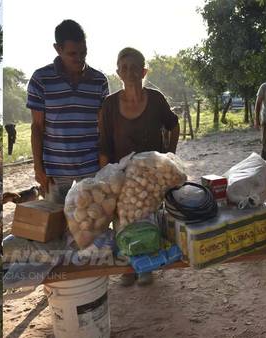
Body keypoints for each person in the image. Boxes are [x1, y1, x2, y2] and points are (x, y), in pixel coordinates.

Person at [98, 47, 180, 286]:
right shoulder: (109, 105)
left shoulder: (155, 99)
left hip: (150, 176)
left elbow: (173, 126)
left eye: (135, 67)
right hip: (120, 175)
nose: (130, 72)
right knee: (123, 218)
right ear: (118, 73)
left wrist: (169, 157)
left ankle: (147, 266)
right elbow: (103, 145)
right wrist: (105, 180)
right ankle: (128, 267)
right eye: (125, 68)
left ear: (144, 71)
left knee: (148, 217)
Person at [27, 19, 109, 205]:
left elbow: (104, 128)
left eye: (83, 53)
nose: (79, 59)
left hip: (91, 170)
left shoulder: (99, 81)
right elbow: (37, 127)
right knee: (55, 228)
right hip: (55, 172)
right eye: (73, 54)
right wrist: (38, 168)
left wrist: (104, 165)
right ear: (58, 49)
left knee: (90, 225)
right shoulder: (40, 79)